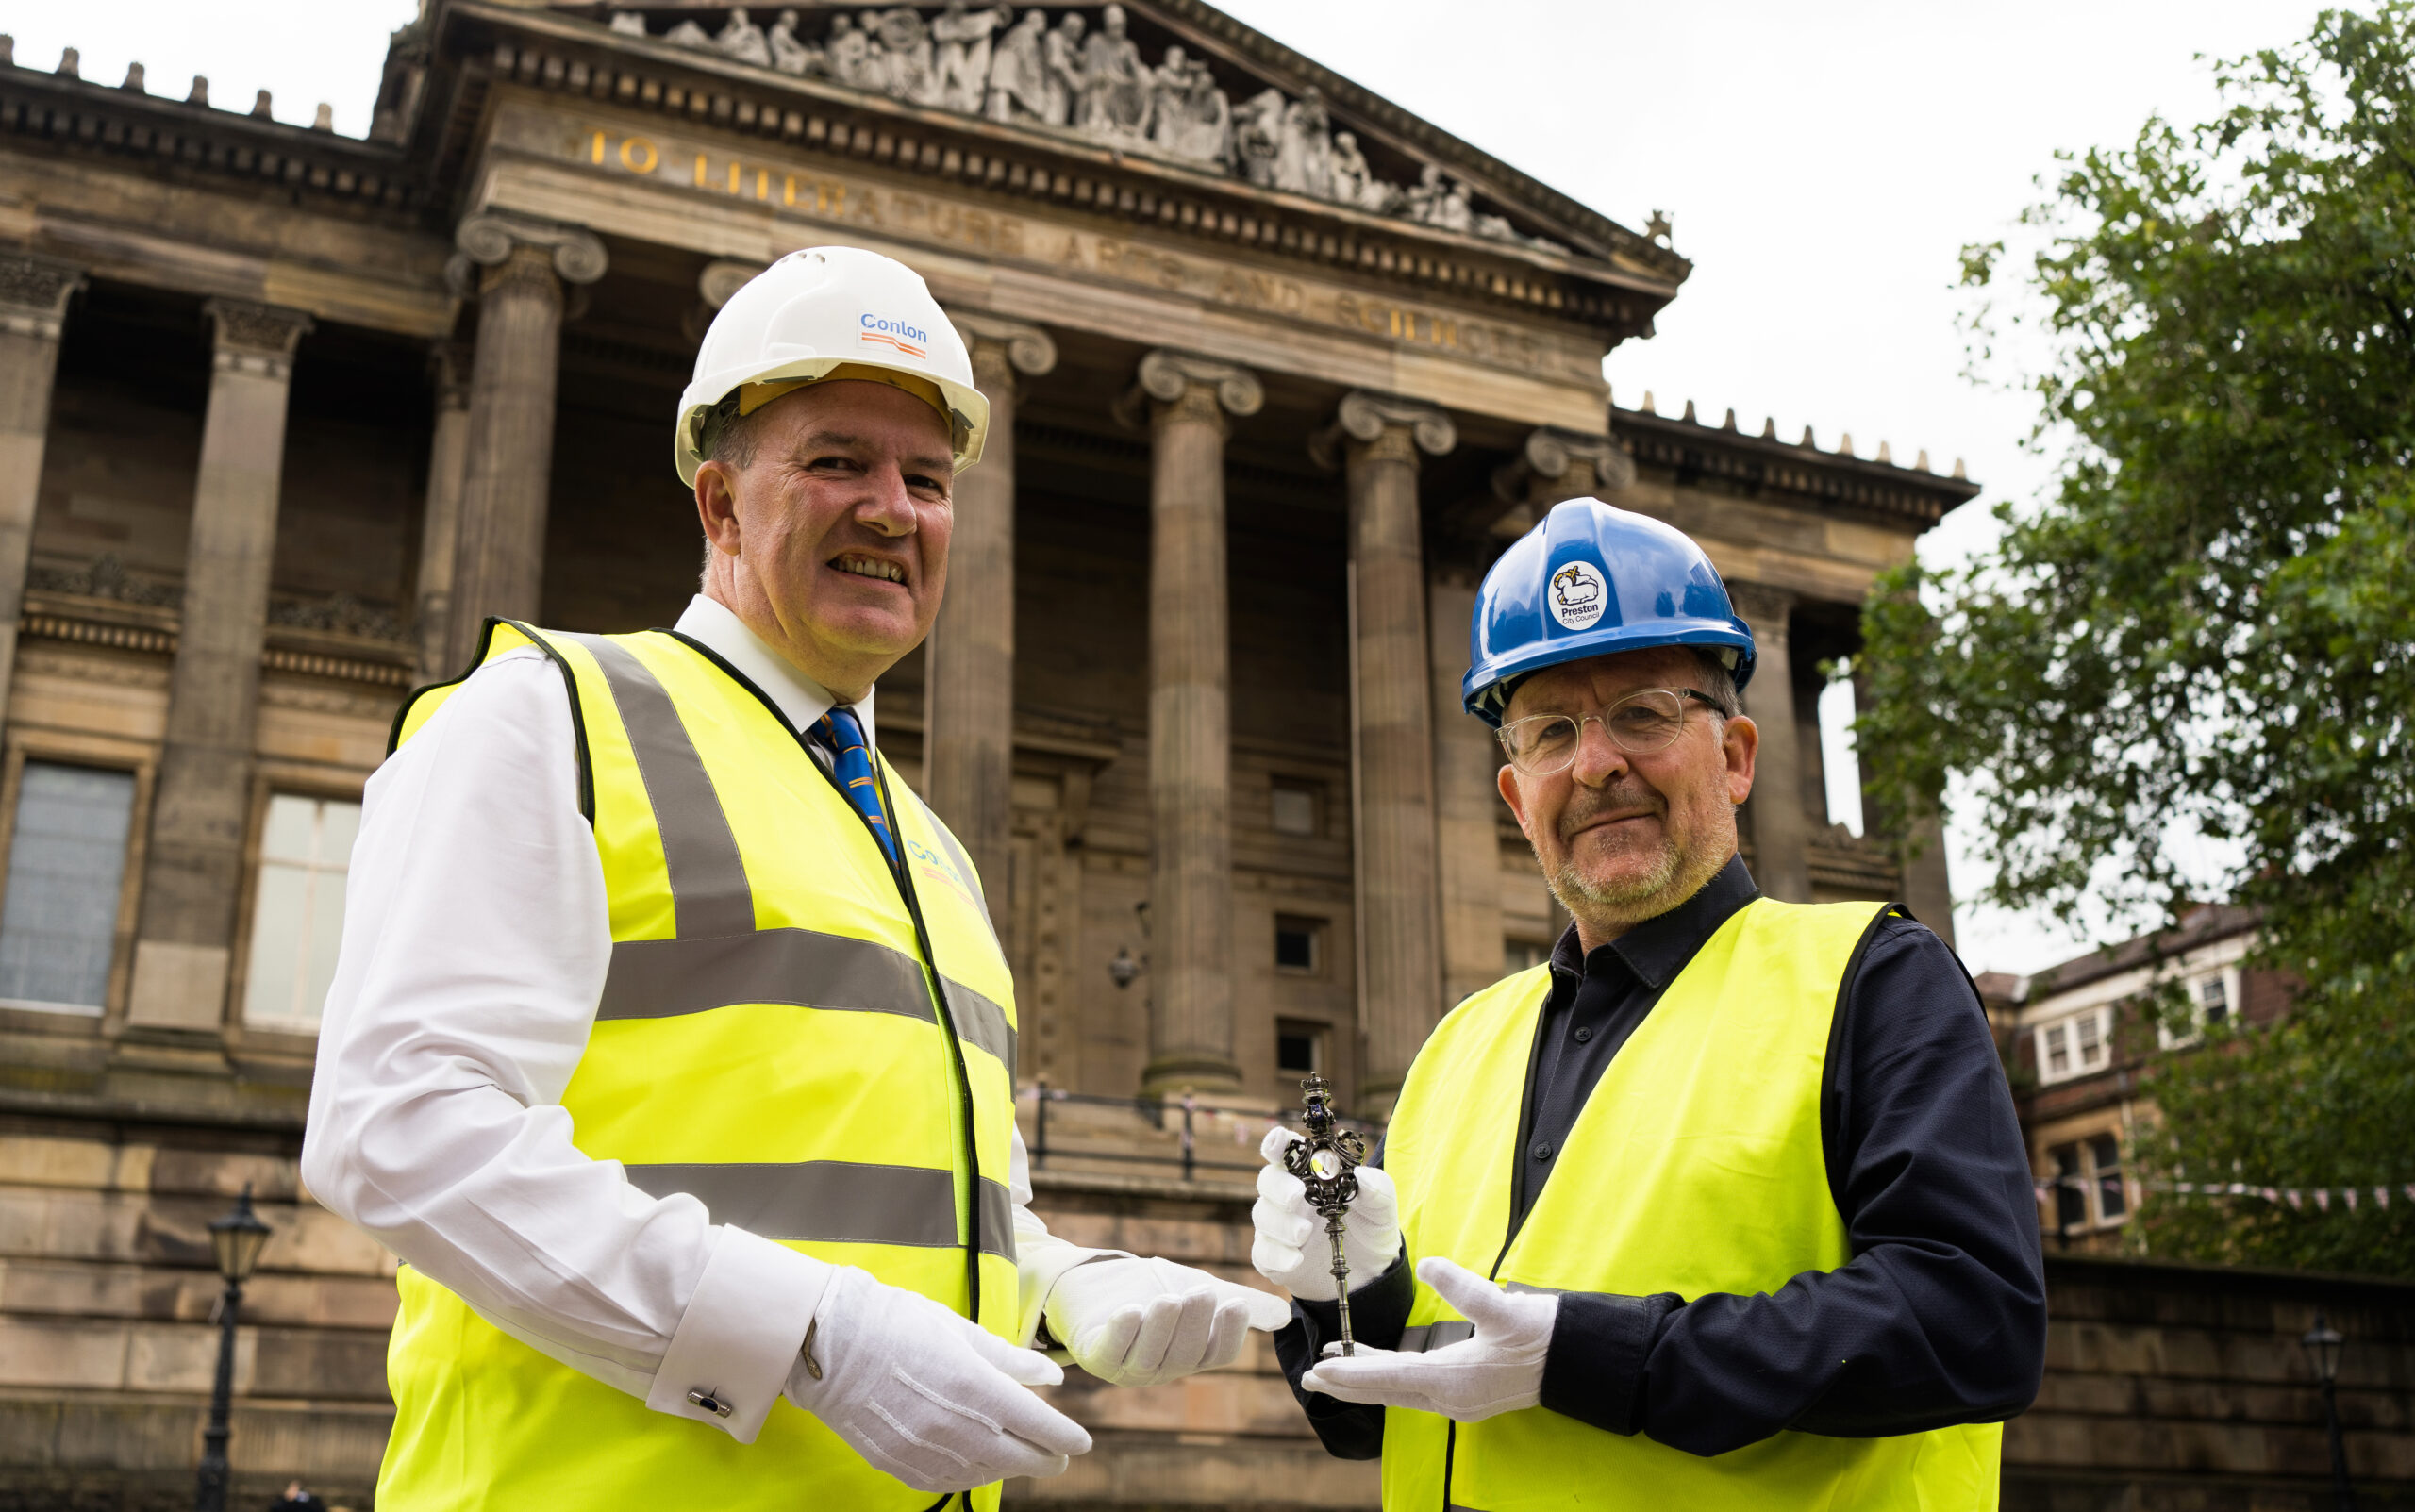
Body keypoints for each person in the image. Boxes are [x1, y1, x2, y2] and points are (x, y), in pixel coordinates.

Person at [305, 246, 1286, 1511]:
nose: (893, 509)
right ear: (718, 503)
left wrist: (1052, 1279)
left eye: (926, 480)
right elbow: (398, 1126)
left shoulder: (931, 848)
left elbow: (888, 1194)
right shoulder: (543, 716)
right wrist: (806, 1338)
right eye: (838, 461)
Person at [1251, 498, 2046, 1509]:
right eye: (1551, 732)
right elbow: (1365, 1419)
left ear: (1737, 755)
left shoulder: (1874, 977)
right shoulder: (1460, 1047)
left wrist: (1590, 1356)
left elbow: (1974, 1323)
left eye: (1643, 712)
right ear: (1515, 796)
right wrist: (1341, 1295)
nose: (1596, 763)